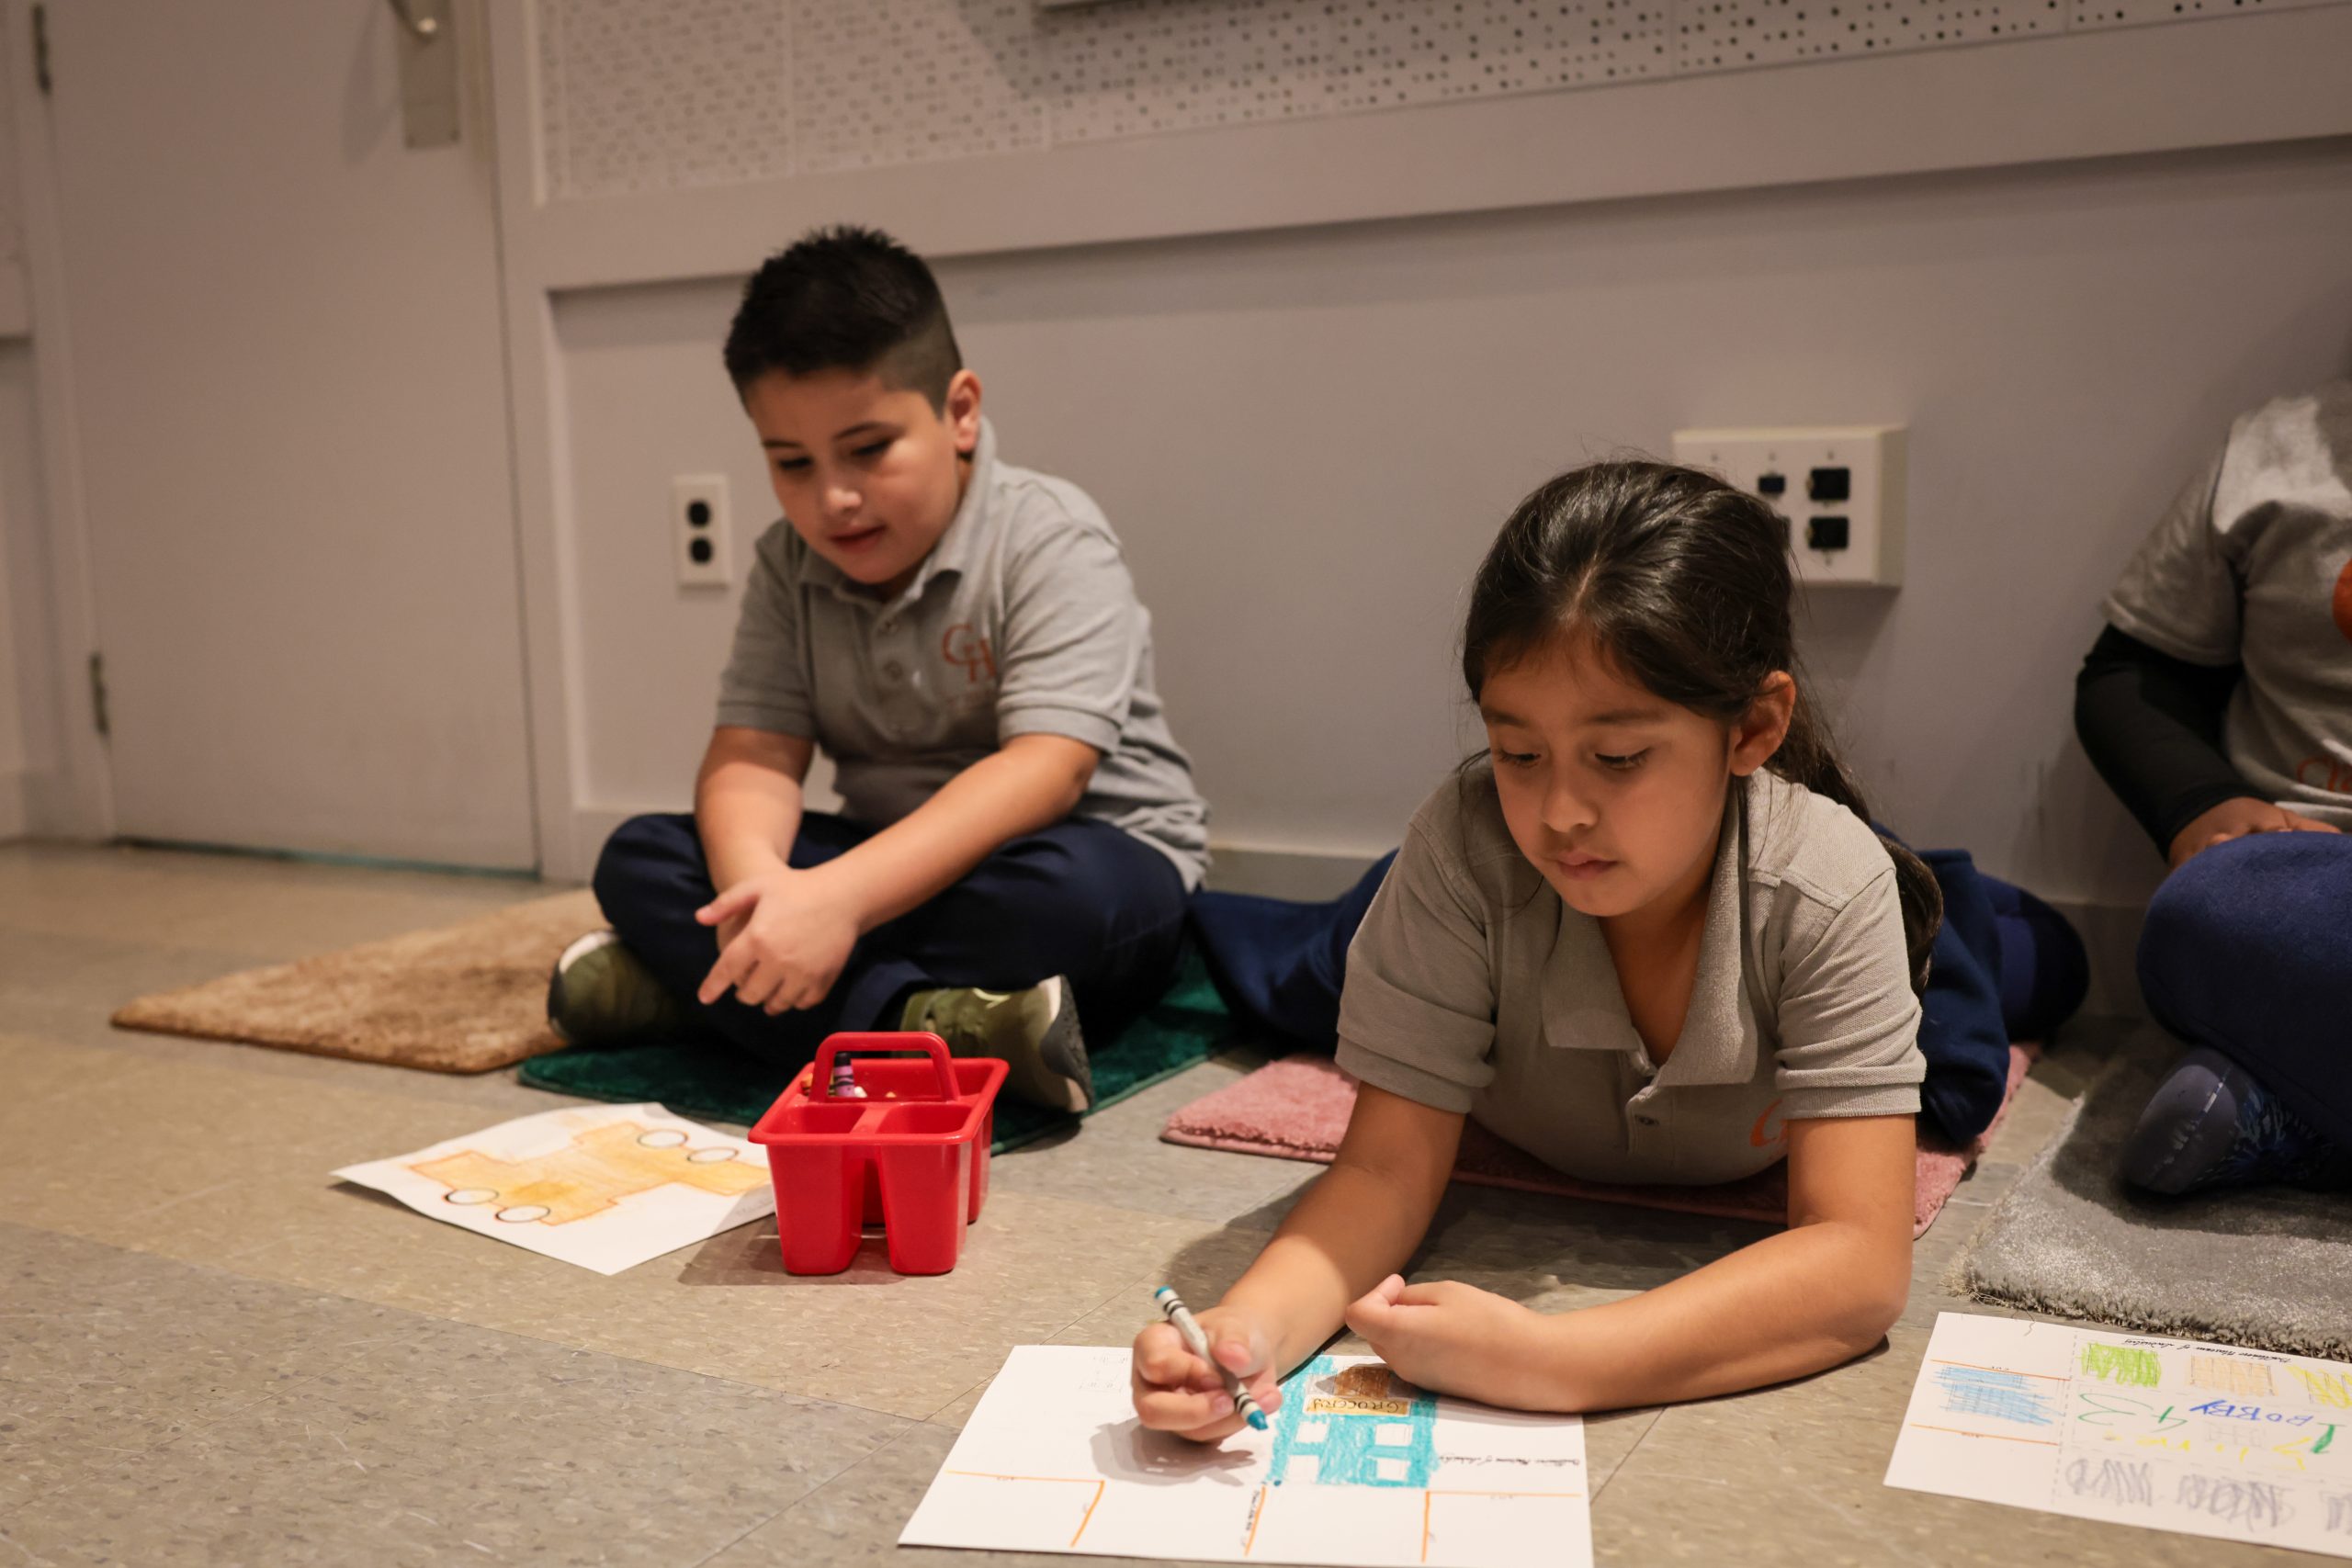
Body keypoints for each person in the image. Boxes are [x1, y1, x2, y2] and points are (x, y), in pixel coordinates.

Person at [1135, 460, 1941, 1431]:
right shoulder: (1467, 843)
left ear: (1754, 726)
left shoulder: (1824, 881)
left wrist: (1564, 1359)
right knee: (1301, 969)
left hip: (1825, 897)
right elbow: (1383, 1171)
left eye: (1618, 758)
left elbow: (1858, 1262)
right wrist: (1245, 1332)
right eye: (1517, 752)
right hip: (1443, 914)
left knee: (1982, 977)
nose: (1560, 810)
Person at [548, 226, 1208, 1111]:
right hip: (878, 868)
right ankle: (918, 1023)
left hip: (1072, 854)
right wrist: (765, 894)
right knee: (642, 857)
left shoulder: (1050, 534)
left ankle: (707, 992)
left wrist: (841, 906)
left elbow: (1050, 770)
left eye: (868, 450)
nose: (834, 498)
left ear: (959, 411)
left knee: (1076, 906)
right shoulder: (790, 563)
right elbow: (755, 754)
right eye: (792, 464)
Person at [2075, 378, 2352, 1195]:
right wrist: (2204, 805)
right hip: (2304, 883)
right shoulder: (2272, 453)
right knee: (2196, 914)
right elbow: (2132, 676)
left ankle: (2292, 1110)